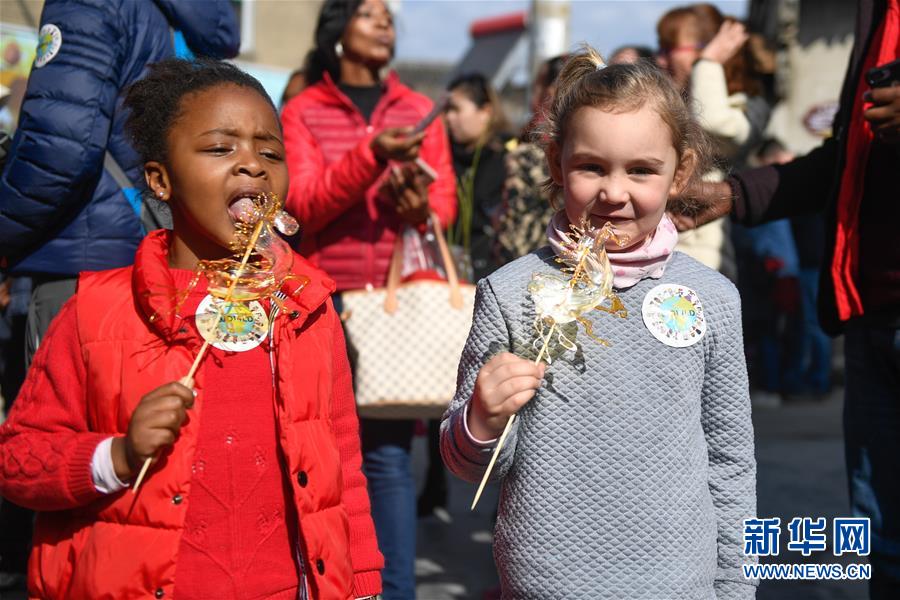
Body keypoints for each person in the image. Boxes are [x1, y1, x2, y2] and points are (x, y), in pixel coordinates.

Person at [0, 58, 382, 600]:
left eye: (269, 151)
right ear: (160, 180)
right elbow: (18, 461)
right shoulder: (96, 312)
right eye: (221, 148)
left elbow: (343, 469)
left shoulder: (306, 310)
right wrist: (115, 456)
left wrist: (361, 585)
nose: (251, 164)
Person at [441, 47, 757, 598]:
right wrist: (481, 420)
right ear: (555, 165)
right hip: (548, 578)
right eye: (591, 167)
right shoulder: (511, 293)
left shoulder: (713, 298)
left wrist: (736, 586)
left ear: (680, 172)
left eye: (641, 170)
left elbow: (731, 464)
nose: (614, 193)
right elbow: (470, 465)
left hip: (679, 580)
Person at [670, 0, 899, 594]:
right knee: (880, 540)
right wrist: (731, 195)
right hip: (871, 312)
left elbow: (716, 121)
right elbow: (841, 162)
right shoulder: (874, 19)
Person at [280, 1, 456, 597]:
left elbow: (446, 206)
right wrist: (372, 155)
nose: (385, 23)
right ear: (338, 29)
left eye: (388, 15)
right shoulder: (302, 111)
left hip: (394, 308)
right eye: (368, 13)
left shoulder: (416, 110)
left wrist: (420, 208)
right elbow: (300, 205)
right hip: (320, 303)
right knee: (316, 449)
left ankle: (395, 592)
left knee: (383, 459)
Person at [0, 0, 240, 366]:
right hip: (170, 261)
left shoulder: (91, 4)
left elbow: (60, 149)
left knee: (59, 418)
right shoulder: (192, 15)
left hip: (82, 263)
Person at [495, 54, 568, 263]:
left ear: (552, 91)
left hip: (531, 260)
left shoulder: (529, 153)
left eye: (538, 86)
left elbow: (513, 222)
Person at [444, 72, 512, 281]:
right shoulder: (443, 154)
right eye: (446, 110)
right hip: (448, 275)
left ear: (486, 111)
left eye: (456, 109)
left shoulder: (509, 157)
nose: (448, 117)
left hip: (496, 275)